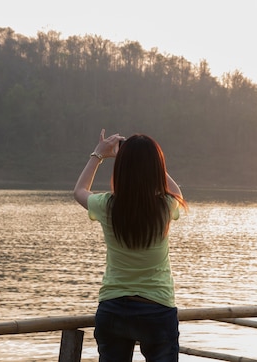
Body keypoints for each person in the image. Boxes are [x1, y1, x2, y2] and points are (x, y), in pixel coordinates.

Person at [74, 129, 187, 362]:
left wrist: (98, 155)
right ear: (156, 168)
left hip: (114, 307)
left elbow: (79, 191)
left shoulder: (107, 205)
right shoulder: (165, 206)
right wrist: (150, 164)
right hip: (157, 308)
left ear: (121, 169)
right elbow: (176, 193)